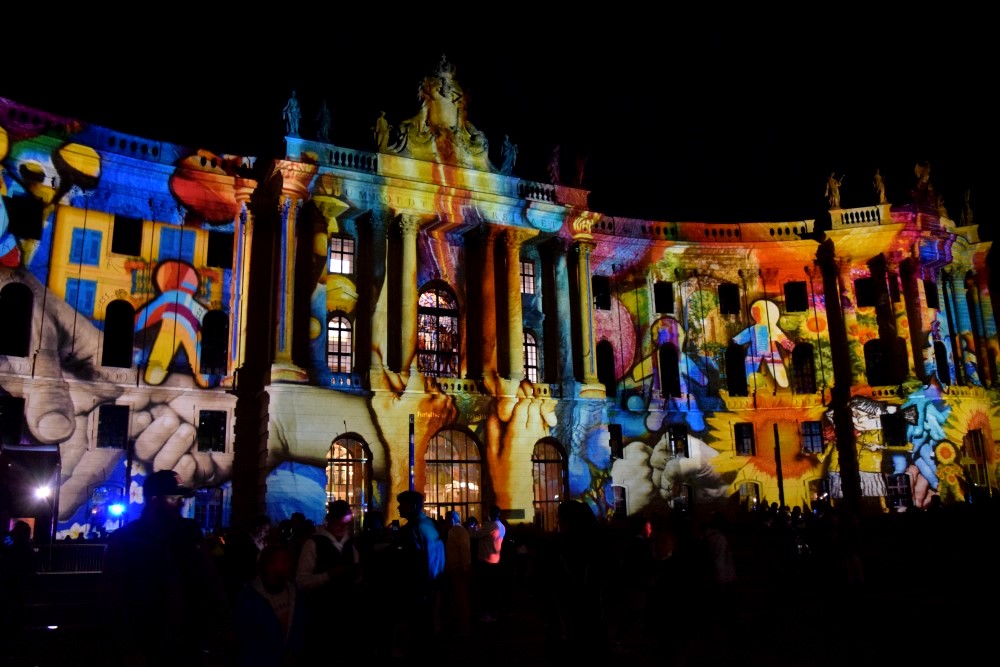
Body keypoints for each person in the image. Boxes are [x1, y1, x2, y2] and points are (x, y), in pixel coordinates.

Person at [100, 469, 233, 666]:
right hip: (147, 639)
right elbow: (114, 597)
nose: (181, 503)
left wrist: (221, 622)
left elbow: (209, 580)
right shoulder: (125, 540)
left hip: (186, 640)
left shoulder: (189, 533)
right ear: (154, 500)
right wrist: (129, 647)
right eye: (173, 498)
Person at [294, 499, 361, 657]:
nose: (343, 527)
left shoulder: (350, 544)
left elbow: (357, 576)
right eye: (339, 522)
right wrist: (328, 575)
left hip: (347, 613)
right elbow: (301, 581)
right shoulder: (313, 544)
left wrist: (357, 575)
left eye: (346, 523)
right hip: (321, 614)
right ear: (330, 521)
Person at [233, 542, 306, 667]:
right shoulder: (249, 596)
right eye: (284, 560)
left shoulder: (294, 593)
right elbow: (245, 633)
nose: (290, 564)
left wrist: (294, 650)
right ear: (269, 566)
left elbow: (301, 624)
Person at [393, 490, 445, 658]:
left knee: (419, 629)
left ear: (413, 506)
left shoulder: (411, 529)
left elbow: (410, 561)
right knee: (432, 627)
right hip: (435, 583)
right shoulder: (432, 524)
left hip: (419, 588)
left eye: (402, 504)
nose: (399, 508)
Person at [471, 504, 505, 623]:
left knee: (486, 589)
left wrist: (472, 527)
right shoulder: (501, 526)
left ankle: (488, 614)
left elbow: (474, 535)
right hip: (496, 560)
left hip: (486, 561)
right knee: (493, 589)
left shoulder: (490, 526)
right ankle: (494, 613)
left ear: (491, 514)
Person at [443, 510, 472, 637]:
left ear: (454, 519)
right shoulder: (454, 531)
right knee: (457, 598)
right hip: (454, 568)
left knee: (461, 599)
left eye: (448, 519)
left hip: (457, 568)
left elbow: (464, 551)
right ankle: (460, 624)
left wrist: (465, 568)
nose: (446, 521)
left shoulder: (459, 531)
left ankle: (463, 626)